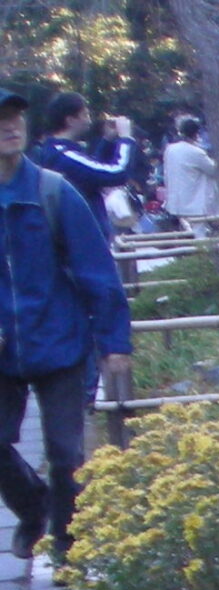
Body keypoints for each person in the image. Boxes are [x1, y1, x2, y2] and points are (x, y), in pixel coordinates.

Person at [0, 93, 131, 561]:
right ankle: (33, 508)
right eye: (0, 120)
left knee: (65, 454)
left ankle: (66, 547)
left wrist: (114, 340)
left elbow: (97, 269)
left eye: (15, 116)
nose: (9, 126)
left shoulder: (53, 191)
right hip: (2, 349)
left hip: (59, 342)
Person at [33, 92, 139, 235]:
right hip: (83, 240)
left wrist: (107, 140)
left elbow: (92, 169)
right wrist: (126, 138)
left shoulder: (57, 151)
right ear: (70, 120)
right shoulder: (64, 157)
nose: (89, 121)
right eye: (85, 115)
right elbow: (117, 173)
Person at [162, 114, 219, 231]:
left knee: (183, 231)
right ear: (196, 133)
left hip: (175, 201)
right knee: (199, 232)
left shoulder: (170, 149)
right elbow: (214, 170)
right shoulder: (197, 152)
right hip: (194, 202)